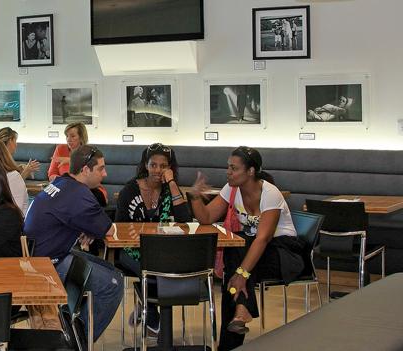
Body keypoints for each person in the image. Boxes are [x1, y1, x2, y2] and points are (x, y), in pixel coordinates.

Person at [187, 146, 305, 351]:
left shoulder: (270, 193)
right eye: (228, 167)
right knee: (234, 263)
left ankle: (233, 330)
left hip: (284, 254)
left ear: (250, 171)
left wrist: (242, 273)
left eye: (234, 168)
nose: (228, 172)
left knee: (238, 262)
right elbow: (206, 218)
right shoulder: (231, 188)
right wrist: (195, 197)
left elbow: (264, 238)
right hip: (252, 253)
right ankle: (240, 312)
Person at [24, 145, 123, 342]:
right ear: (86, 170)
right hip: (46, 265)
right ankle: (76, 342)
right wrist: (93, 230)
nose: (105, 173)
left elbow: (72, 218)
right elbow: (109, 230)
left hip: (38, 256)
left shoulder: (63, 182)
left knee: (113, 271)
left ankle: (72, 327)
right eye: (100, 168)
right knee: (113, 284)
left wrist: (87, 230)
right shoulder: (78, 194)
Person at [114, 143, 192, 335]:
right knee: (152, 269)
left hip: (162, 251)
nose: (158, 170)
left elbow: (185, 220)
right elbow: (118, 227)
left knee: (160, 267)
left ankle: (146, 306)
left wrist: (172, 184)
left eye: (163, 166)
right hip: (130, 251)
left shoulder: (170, 191)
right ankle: (153, 315)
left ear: (170, 168)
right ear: (145, 166)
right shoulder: (129, 190)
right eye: (153, 165)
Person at [47, 123, 107, 205]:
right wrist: (64, 183)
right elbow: (51, 174)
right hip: (64, 189)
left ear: (81, 137)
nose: (68, 139)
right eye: (67, 136)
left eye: (72, 136)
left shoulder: (89, 152)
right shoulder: (60, 149)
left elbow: (94, 175)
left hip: (89, 188)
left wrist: (69, 160)